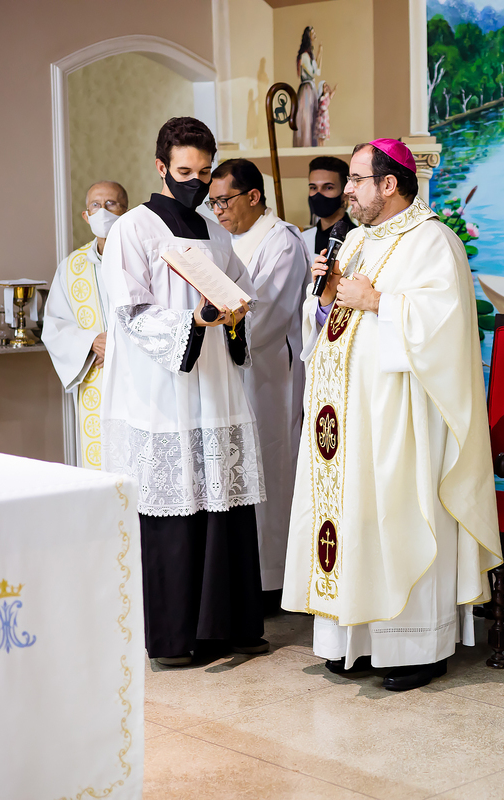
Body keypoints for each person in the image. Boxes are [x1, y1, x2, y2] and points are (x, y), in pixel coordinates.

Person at [282, 138, 502, 690]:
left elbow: (446, 328)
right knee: (352, 518)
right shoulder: (354, 240)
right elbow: (328, 319)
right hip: (345, 414)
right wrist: (326, 294)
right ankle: (350, 638)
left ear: (389, 184)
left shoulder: (433, 240)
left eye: (356, 180)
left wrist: (378, 301)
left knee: (395, 517)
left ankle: (414, 648)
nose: (347, 190)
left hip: (400, 419)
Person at [99, 117, 267, 667]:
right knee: (177, 510)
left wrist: (235, 312)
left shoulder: (216, 233)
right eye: (184, 171)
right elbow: (131, 313)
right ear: (160, 167)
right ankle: (175, 638)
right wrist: (192, 322)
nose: (195, 183)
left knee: (223, 504)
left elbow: (242, 292)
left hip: (215, 385)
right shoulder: (134, 230)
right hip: (163, 391)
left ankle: (227, 628)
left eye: (204, 172)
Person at [208, 158, 310, 599]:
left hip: (269, 377)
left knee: (270, 469)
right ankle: (243, 574)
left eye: (225, 200)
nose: (218, 211)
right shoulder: (218, 239)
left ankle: (273, 580)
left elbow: (266, 315)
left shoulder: (281, 242)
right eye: (212, 203)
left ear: (253, 196)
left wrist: (213, 335)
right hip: (229, 371)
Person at [42, 180, 128, 470]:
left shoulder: (142, 257)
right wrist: (90, 342)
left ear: (126, 211)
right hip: (97, 379)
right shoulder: (71, 267)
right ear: (85, 215)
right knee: (102, 464)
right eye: (95, 205)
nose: (102, 212)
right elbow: (54, 325)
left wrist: (118, 343)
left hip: (137, 376)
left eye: (111, 204)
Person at [303, 155, 355, 257]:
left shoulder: (358, 239)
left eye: (328, 188)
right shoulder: (302, 240)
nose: (318, 194)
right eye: (313, 188)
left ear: (345, 194)